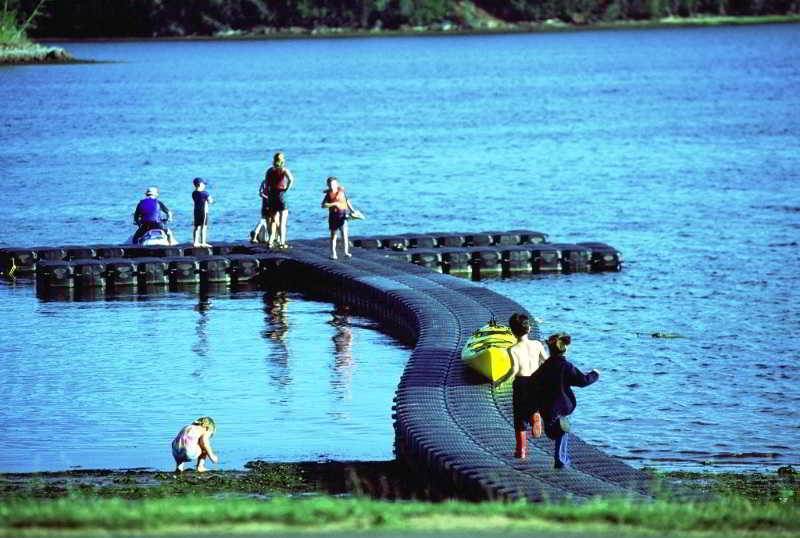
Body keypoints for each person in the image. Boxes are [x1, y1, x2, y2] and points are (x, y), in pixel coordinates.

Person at [532, 333, 600, 468]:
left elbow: (533, 381)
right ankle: (561, 460)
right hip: (562, 407)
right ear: (565, 349)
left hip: (546, 407)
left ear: (549, 350)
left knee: (555, 429)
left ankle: (558, 449)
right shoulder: (567, 366)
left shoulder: (545, 366)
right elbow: (583, 381)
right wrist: (595, 374)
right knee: (562, 429)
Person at [508, 313, 549, 459]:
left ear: (512, 331)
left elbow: (514, 370)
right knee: (533, 405)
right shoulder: (537, 344)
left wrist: (501, 381)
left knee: (519, 417)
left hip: (521, 383)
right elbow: (547, 361)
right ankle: (535, 416)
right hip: (536, 381)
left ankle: (521, 451)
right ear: (529, 328)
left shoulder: (513, 349)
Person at [253, 152, 294, 248]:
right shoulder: (284, 170)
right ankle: (282, 242)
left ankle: (271, 240)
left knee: (273, 220)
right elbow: (291, 179)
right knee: (282, 221)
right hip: (281, 195)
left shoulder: (269, 171)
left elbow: (266, 184)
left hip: (272, 196)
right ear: (282, 160)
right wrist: (287, 188)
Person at [321, 176, 355, 260]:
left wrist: (352, 210)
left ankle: (346, 252)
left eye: (333, 184)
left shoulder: (341, 192)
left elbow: (347, 202)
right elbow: (323, 205)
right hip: (333, 216)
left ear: (337, 184)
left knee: (344, 235)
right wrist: (334, 204)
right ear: (328, 185)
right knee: (333, 236)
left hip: (342, 215)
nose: (331, 186)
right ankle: (333, 253)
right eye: (330, 184)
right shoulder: (328, 195)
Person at [191, 177, 214, 247]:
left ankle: (195, 242)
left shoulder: (194, 193)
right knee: (204, 227)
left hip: (196, 211)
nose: (204, 186)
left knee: (196, 226)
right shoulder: (205, 193)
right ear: (200, 184)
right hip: (204, 211)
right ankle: (203, 242)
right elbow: (210, 201)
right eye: (204, 184)